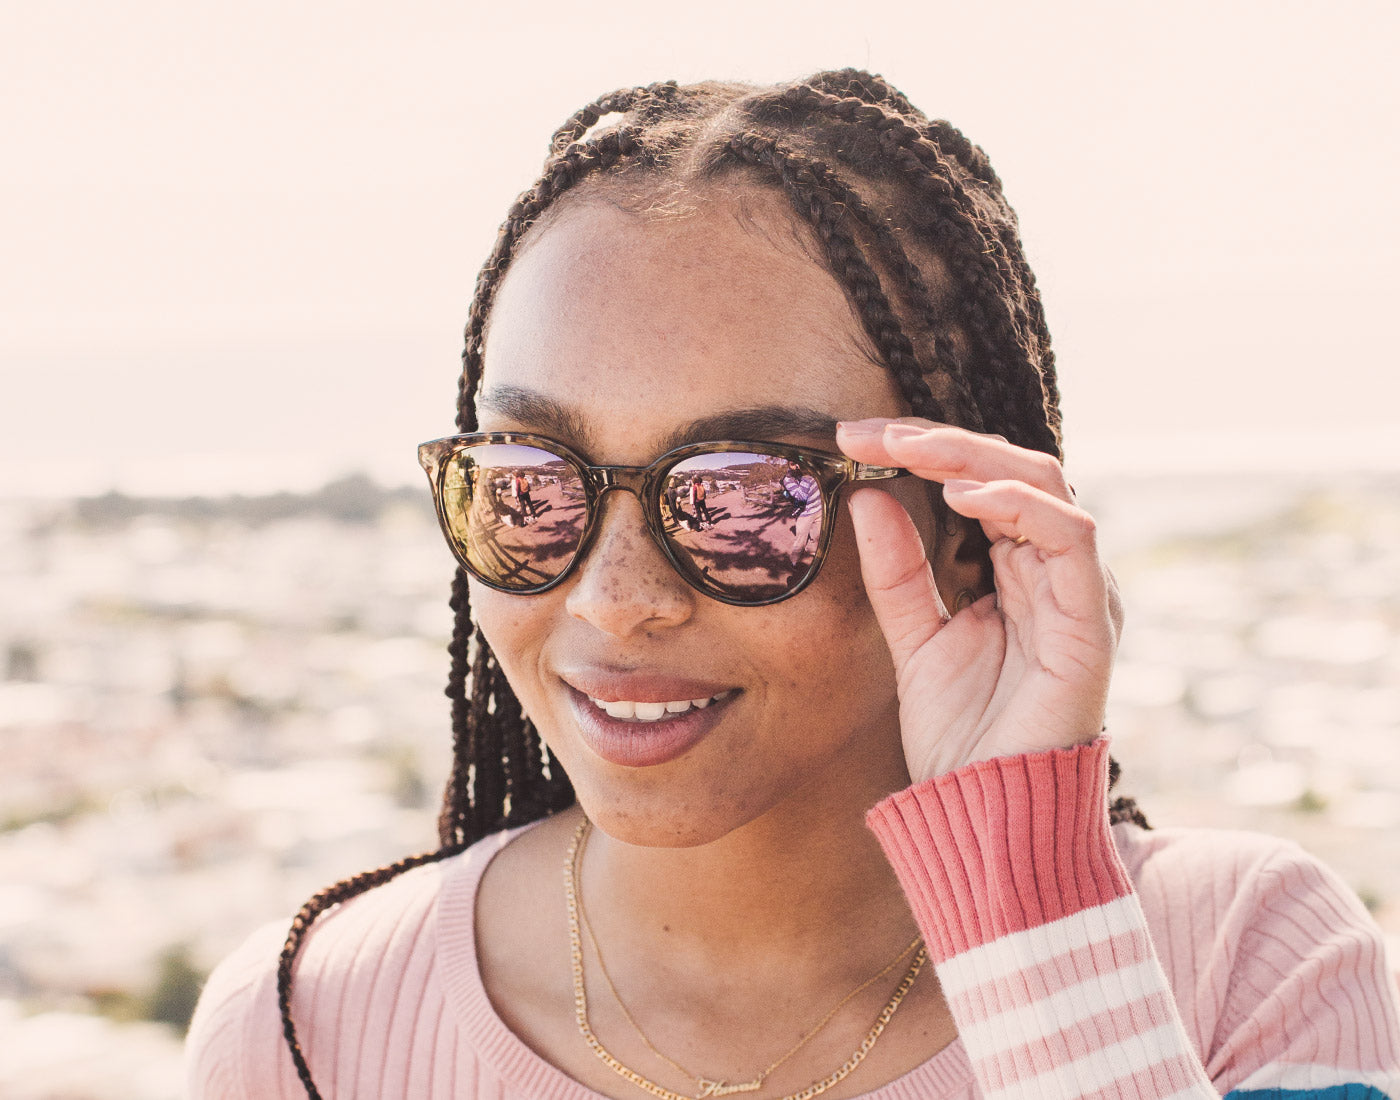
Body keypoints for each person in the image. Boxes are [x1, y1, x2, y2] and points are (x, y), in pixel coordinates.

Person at [185, 71, 1400, 1100]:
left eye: (747, 496)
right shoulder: (307, 1028)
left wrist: (1034, 922)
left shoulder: (1244, 964)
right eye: (529, 480)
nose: (614, 597)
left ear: (965, 522)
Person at [780, 458, 822, 566]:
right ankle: (794, 561)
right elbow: (801, 497)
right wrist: (806, 476)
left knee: (816, 535)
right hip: (805, 513)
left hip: (819, 508)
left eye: (798, 462)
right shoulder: (788, 479)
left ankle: (811, 550)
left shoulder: (813, 469)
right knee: (800, 539)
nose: (796, 466)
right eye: (792, 464)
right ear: (788, 465)